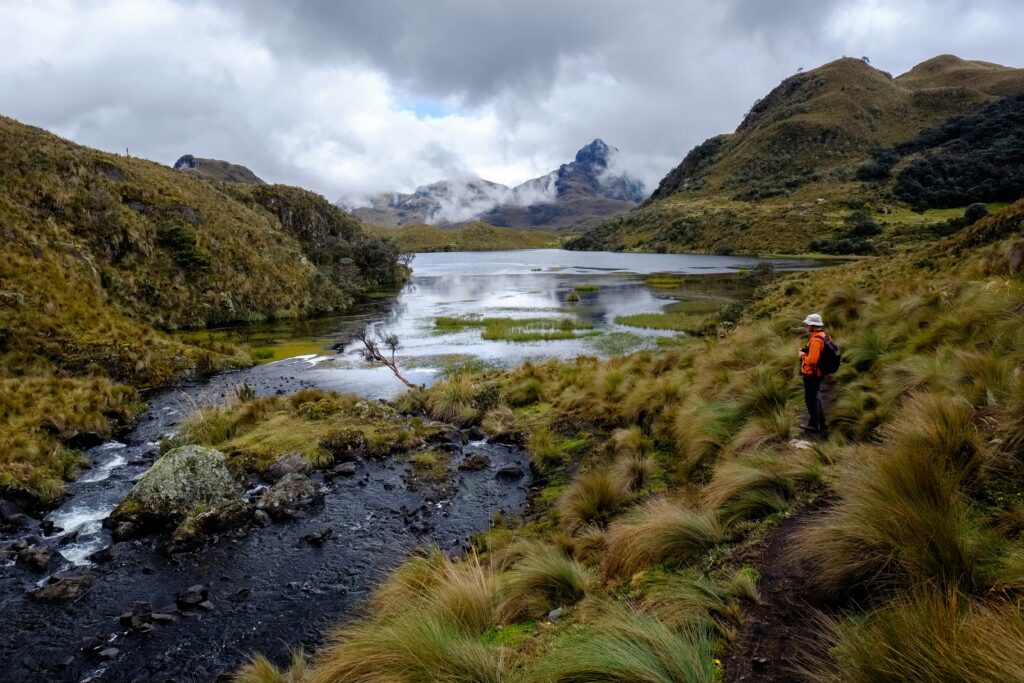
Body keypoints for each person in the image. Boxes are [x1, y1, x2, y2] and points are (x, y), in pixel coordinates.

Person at [799, 313, 828, 432]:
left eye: (807, 324)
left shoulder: (816, 340)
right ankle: (822, 422)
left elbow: (812, 360)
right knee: (815, 396)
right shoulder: (824, 335)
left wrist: (802, 356)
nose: (806, 326)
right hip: (819, 373)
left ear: (813, 325)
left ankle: (814, 424)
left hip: (812, 374)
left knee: (810, 398)